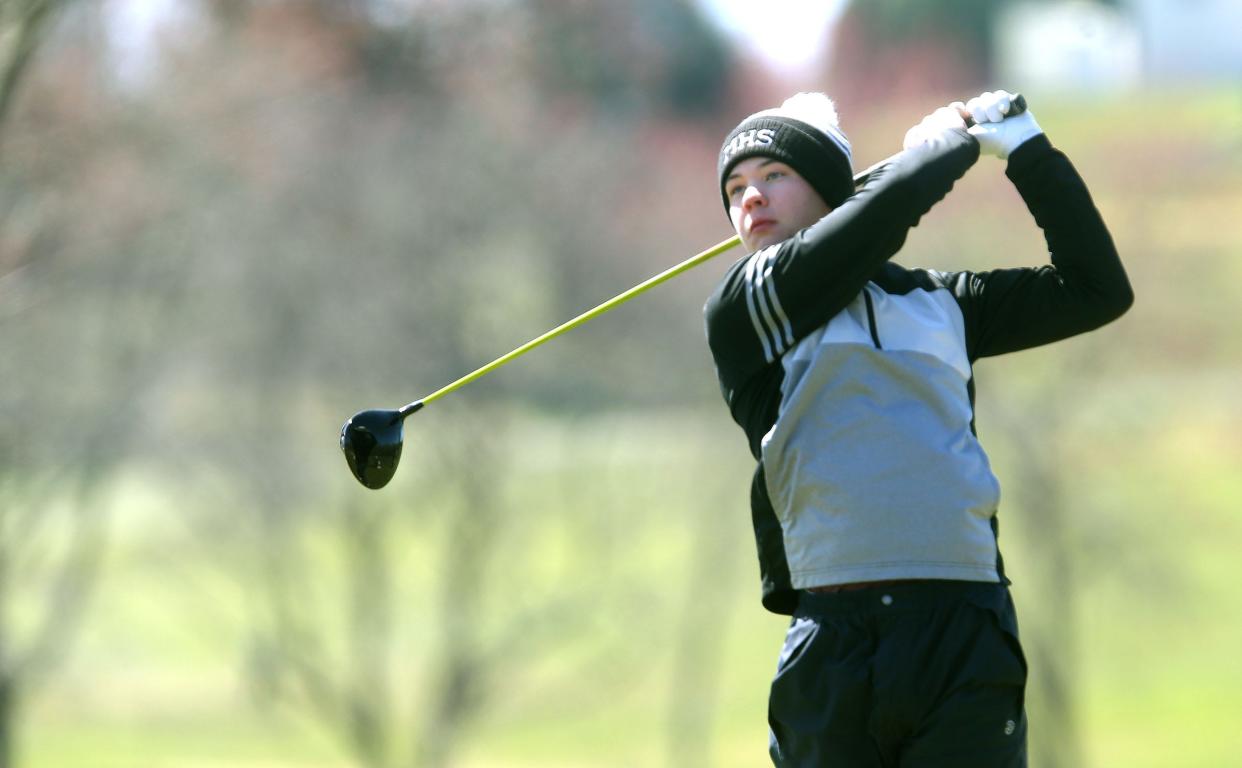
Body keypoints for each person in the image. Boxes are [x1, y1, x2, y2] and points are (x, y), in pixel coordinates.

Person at [703, 90, 1133, 766]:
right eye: (735, 188)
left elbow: (1096, 288)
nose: (749, 199)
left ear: (833, 189)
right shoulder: (747, 306)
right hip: (836, 638)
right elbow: (865, 230)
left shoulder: (943, 303)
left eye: (774, 176)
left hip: (965, 628)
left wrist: (1027, 151)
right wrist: (934, 158)